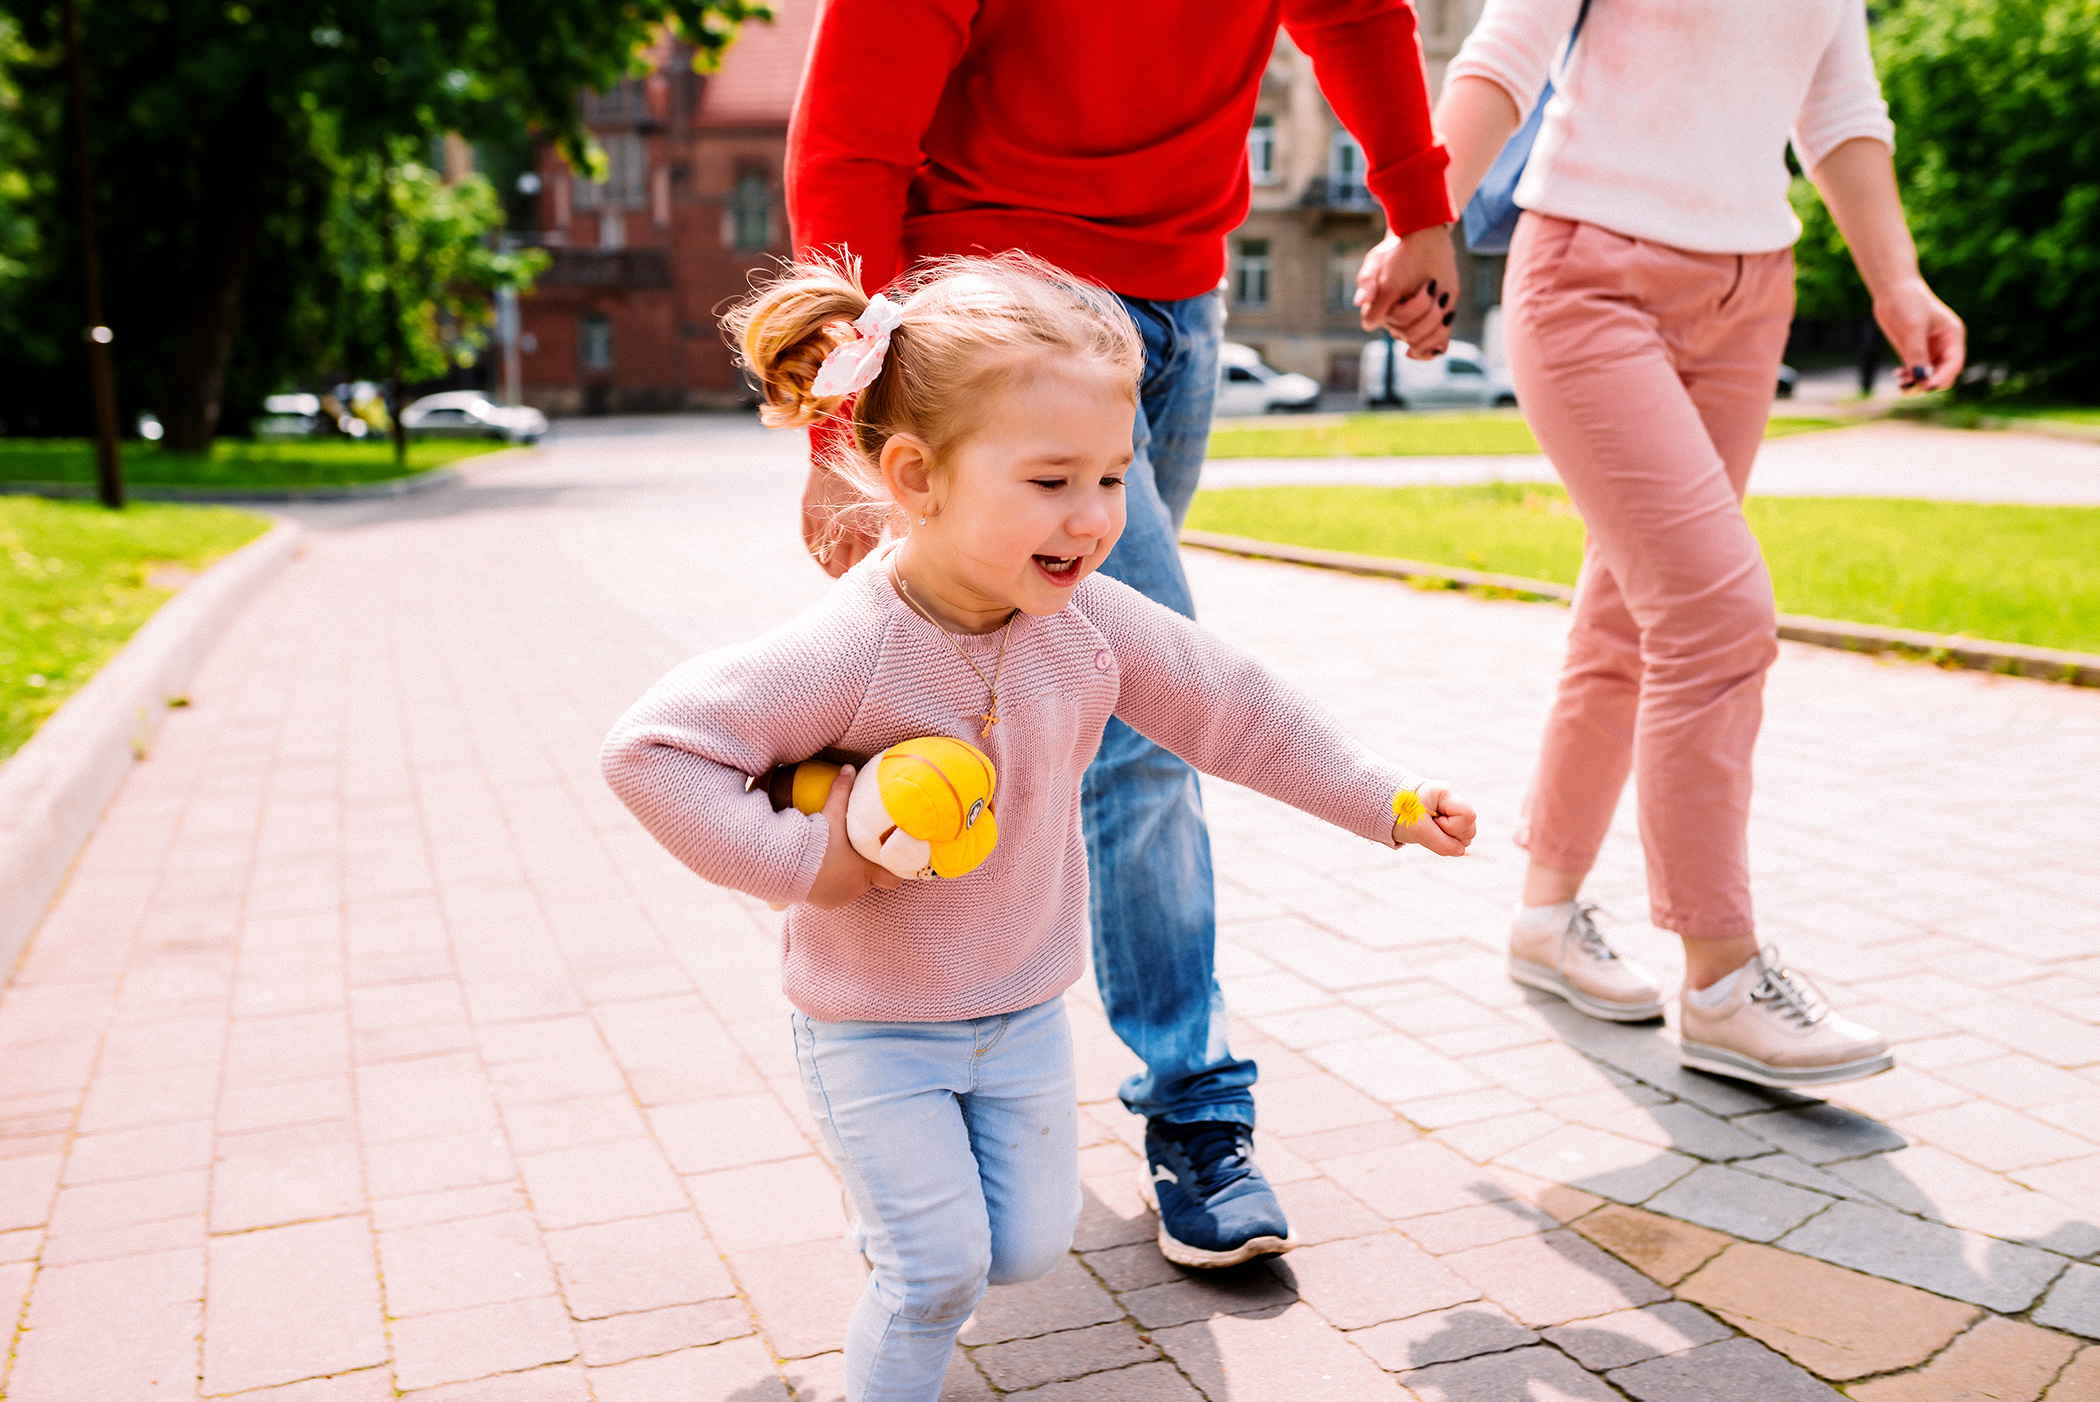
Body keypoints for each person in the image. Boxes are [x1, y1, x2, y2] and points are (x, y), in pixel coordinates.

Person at [602, 253, 1478, 1402]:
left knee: (1021, 1250)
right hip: (872, 1025)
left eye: (1114, 478)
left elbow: (1236, 709)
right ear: (916, 476)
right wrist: (812, 865)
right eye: (1055, 480)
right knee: (936, 1275)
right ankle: (899, 1300)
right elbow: (650, 750)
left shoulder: (1092, 624)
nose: (1096, 518)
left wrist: (1387, 798)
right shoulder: (849, 646)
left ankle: (907, 1248)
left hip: (1020, 1012)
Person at [785, 0, 1465, 1267]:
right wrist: (846, 427)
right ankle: (1191, 1110)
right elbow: (851, 138)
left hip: (1178, 302)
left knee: (1061, 693)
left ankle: (942, 1061)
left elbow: (1358, 11)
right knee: (1135, 693)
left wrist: (1418, 203)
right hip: (998, 318)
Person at [1388, 0, 1966, 1085]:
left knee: (1629, 612)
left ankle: (1546, 917)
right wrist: (1420, 220)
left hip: (1753, 294)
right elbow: (1504, 54)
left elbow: (1839, 103)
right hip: (1591, 277)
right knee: (1714, 614)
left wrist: (1898, 282)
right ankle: (1723, 978)